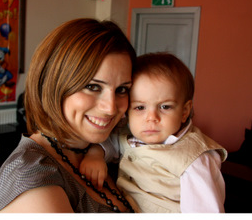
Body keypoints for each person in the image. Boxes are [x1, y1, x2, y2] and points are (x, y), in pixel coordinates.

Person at [0, 18, 137, 213]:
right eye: (93, 87)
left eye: (122, 90)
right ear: (53, 84)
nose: (110, 108)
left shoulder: (107, 149)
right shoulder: (33, 178)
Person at [79, 52, 227, 212]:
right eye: (140, 107)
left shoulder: (194, 159)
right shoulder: (128, 134)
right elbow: (110, 144)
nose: (151, 118)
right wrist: (95, 155)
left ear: (184, 111)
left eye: (165, 107)